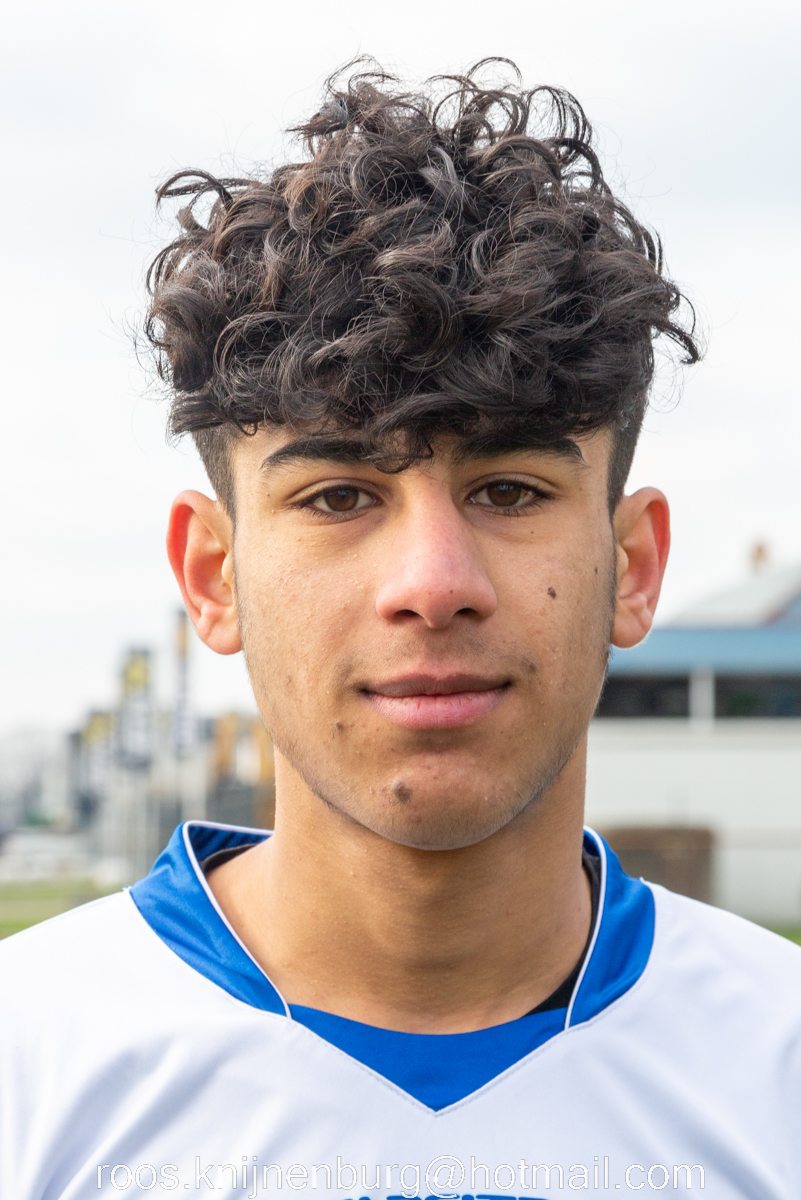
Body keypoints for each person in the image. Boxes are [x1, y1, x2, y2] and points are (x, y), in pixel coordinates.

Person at [2, 61, 799, 1200]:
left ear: (631, 567)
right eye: (338, 497)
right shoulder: (27, 1072)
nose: (433, 585)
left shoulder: (777, 1071)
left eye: (510, 491)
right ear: (214, 576)